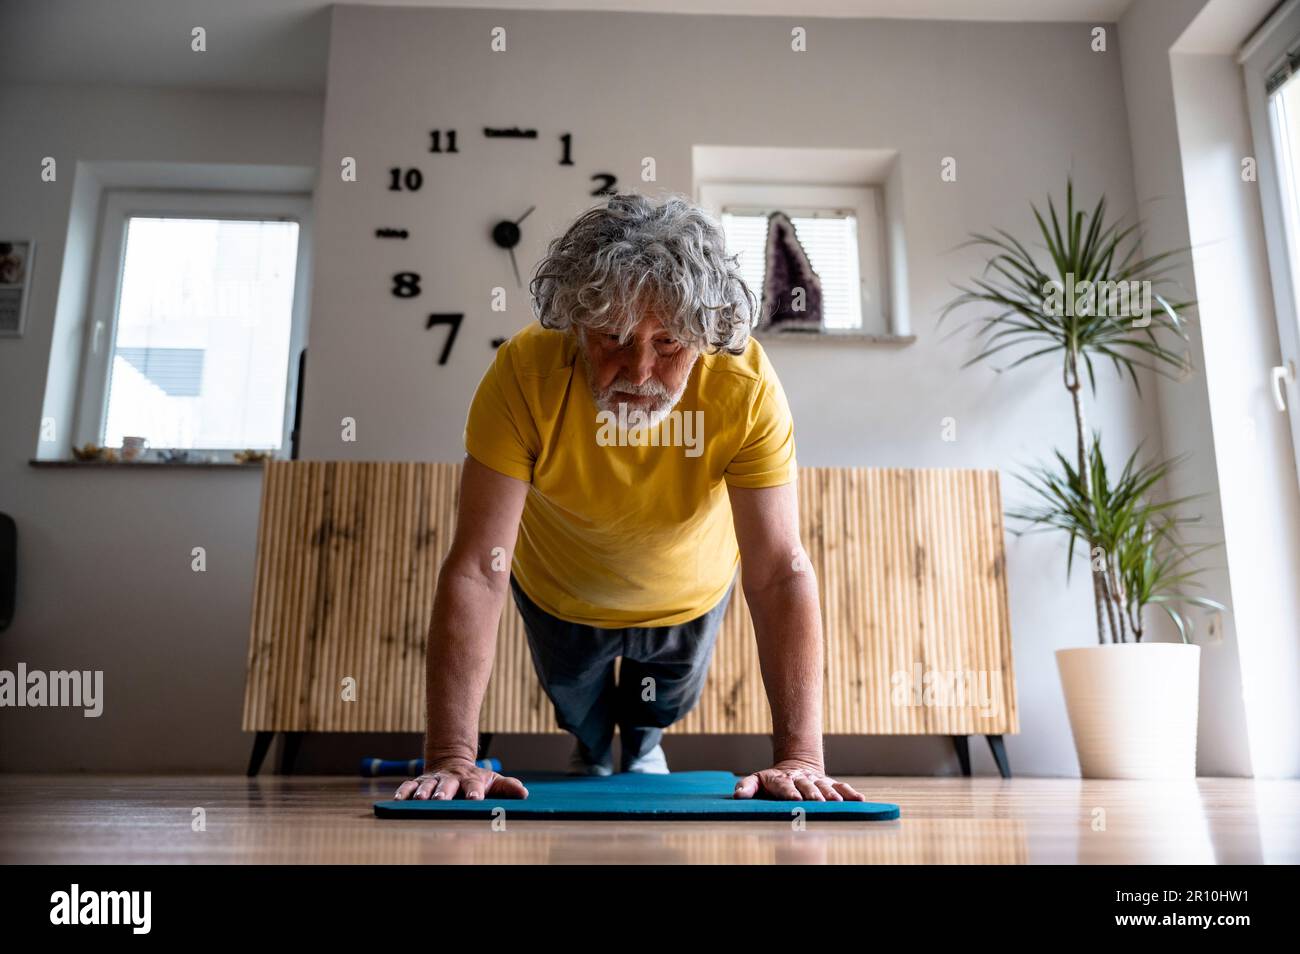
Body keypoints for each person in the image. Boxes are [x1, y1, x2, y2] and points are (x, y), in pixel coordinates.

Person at [394, 192, 865, 803]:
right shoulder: (522, 374)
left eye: (668, 344)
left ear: (706, 334)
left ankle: (642, 745)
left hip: (686, 594)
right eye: (613, 336)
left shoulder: (744, 385)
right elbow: (478, 567)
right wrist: (451, 757)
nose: (638, 371)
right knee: (579, 709)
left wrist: (802, 759)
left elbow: (778, 570)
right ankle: (592, 747)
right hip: (560, 592)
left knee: (658, 705)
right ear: (576, 322)